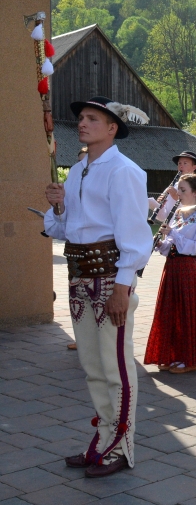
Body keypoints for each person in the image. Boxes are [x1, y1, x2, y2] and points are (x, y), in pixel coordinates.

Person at [44, 96, 153, 477]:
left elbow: (135, 236)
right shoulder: (78, 171)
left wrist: (123, 287)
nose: (82, 123)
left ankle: (121, 446)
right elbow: (64, 230)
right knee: (92, 366)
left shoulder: (124, 171)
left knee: (115, 366)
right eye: (81, 118)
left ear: (112, 128)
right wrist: (58, 206)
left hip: (109, 279)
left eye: (92, 118)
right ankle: (103, 438)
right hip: (78, 276)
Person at [144, 174, 196, 374]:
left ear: (195, 192)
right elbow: (171, 245)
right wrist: (160, 244)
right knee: (171, 312)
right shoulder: (177, 213)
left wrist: (172, 234)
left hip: (188, 268)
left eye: (183, 190)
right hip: (172, 267)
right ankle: (172, 355)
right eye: (178, 190)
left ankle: (189, 359)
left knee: (187, 314)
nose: (179, 194)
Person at [67, 146, 89, 352]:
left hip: (99, 261)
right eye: (80, 162)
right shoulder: (73, 179)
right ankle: (80, 337)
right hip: (75, 258)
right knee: (77, 303)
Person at [148, 151, 196, 222]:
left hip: (187, 226)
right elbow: (162, 217)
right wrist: (159, 206)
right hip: (169, 227)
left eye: (185, 163)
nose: (181, 166)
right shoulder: (173, 186)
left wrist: (177, 197)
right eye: (179, 163)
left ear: (194, 167)